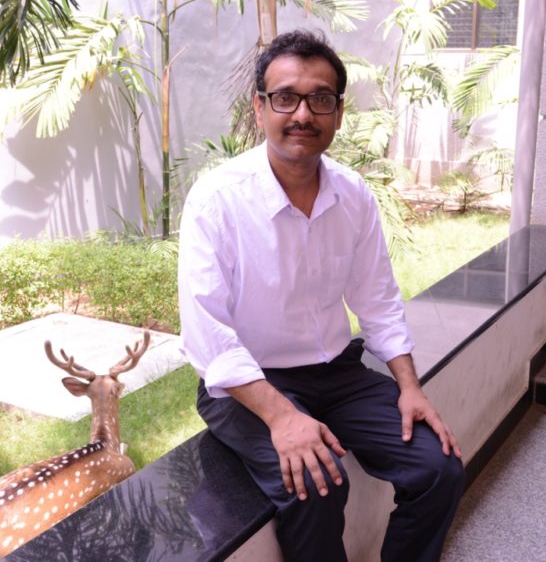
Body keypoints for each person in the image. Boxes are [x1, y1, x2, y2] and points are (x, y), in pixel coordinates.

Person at [178, 29, 464, 562]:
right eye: (285, 98)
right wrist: (282, 417)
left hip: (339, 375)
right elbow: (206, 334)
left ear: (338, 111)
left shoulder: (352, 194)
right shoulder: (217, 200)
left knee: (438, 467)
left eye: (320, 99)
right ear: (260, 107)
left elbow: (378, 301)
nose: (303, 115)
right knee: (317, 482)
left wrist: (409, 386)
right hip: (249, 384)